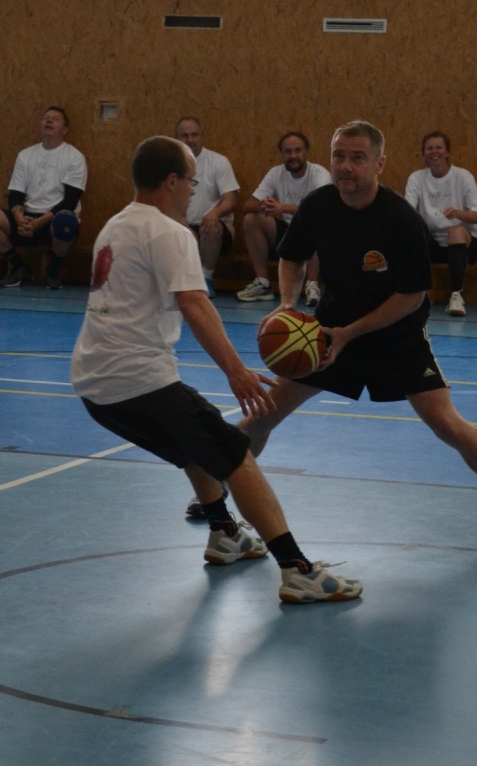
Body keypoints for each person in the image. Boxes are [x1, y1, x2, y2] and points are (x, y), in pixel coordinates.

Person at [70, 135, 361, 604]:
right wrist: (236, 371)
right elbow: (195, 305)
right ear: (170, 181)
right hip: (136, 380)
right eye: (190, 180)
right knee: (235, 456)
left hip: (93, 385)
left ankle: (225, 532)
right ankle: (297, 570)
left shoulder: (115, 225)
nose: (193, 190)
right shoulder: (169, 233)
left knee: (195, 446)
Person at [239, 120, 477, 545]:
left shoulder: (400, 218)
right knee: (263, 415)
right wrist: (287, 305)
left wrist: (351, 333)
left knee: (446, 424)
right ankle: (217, 494)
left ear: (379, 164)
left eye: (357, 158)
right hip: (328, 335)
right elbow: (292, 257)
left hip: (396, 337)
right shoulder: (317, 206)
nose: (345, 166)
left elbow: (411, 295)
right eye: (338, 156)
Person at [0, 106, 87, 288]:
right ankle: (19, 267)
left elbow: (70, 201)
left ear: (64, 130)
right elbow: (15, 194)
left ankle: (52, 271)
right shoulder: (25, 155)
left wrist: (39, 222)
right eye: (46, 117)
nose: (49, 120)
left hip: (52, 221)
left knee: (66, 220)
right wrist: (19, 218)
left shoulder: (75, 157)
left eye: (55, 119)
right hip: (26, 219)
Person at [237, 131, 332, 306]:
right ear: (281, 154)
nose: (293, 155)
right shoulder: (275, 173)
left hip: (313, 235)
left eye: (297, 150)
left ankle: (312, 285)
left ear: (306, 152)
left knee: (321, 221)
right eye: (288, 151)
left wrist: (281, 208)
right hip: (287, 233)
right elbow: (248, 205)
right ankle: (263, 284)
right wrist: (267, 206)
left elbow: (321, 209)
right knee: (251, 219)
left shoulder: (319, 174)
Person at [404, 131, 477, 317]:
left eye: (438, 148)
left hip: (464, 244)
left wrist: (457, 213)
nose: (434, 152)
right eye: (429, 148)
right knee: (410, 234)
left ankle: (456, 296)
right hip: (433, 243)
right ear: (424, 154)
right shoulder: (417, 178)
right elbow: (408, 212)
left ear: (447, 152)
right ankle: (417, 294)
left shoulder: (463, 177)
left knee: (455, 232)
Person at [173, 117, 238, 297]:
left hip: (214, 228)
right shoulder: (169, 165)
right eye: (184, 135)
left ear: (202, 137)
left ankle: (205, 279)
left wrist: (215, 213)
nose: (190, 139)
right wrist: (181, 223)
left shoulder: (218, 162)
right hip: (182, 225)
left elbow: (231, 199)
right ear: (176, 138)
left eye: (194, 135)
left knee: (210, 227)